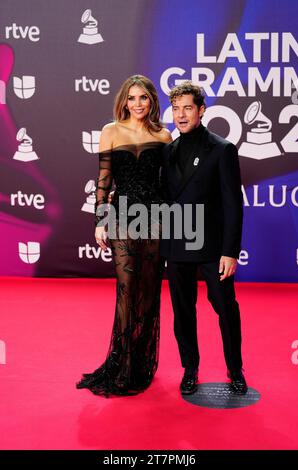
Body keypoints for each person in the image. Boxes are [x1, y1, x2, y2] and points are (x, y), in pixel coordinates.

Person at [76, 75, 172, 397]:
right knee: (127, 291)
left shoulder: (163, 135)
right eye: (132, 98)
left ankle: (142, 360)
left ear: (152, 101)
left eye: (143, 98)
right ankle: (124, 362)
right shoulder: (110, 132)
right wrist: (100, 220)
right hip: (122, 219)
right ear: (124, 101)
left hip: (156, 218)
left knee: (148, 292)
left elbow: (168, 183)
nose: (137, 104)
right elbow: (103, 179)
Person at [160, 81, 247, 395]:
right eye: (176, 108)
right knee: (183, 312)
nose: (181, 115)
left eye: (187, 108)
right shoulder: (167, 151)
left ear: (201, 111)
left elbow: (232, 204)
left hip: (213, 248)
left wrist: (230, 251)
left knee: (225, 307)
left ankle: (235, 368)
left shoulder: (222, 149)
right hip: (177, 245)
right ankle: (190, 367)